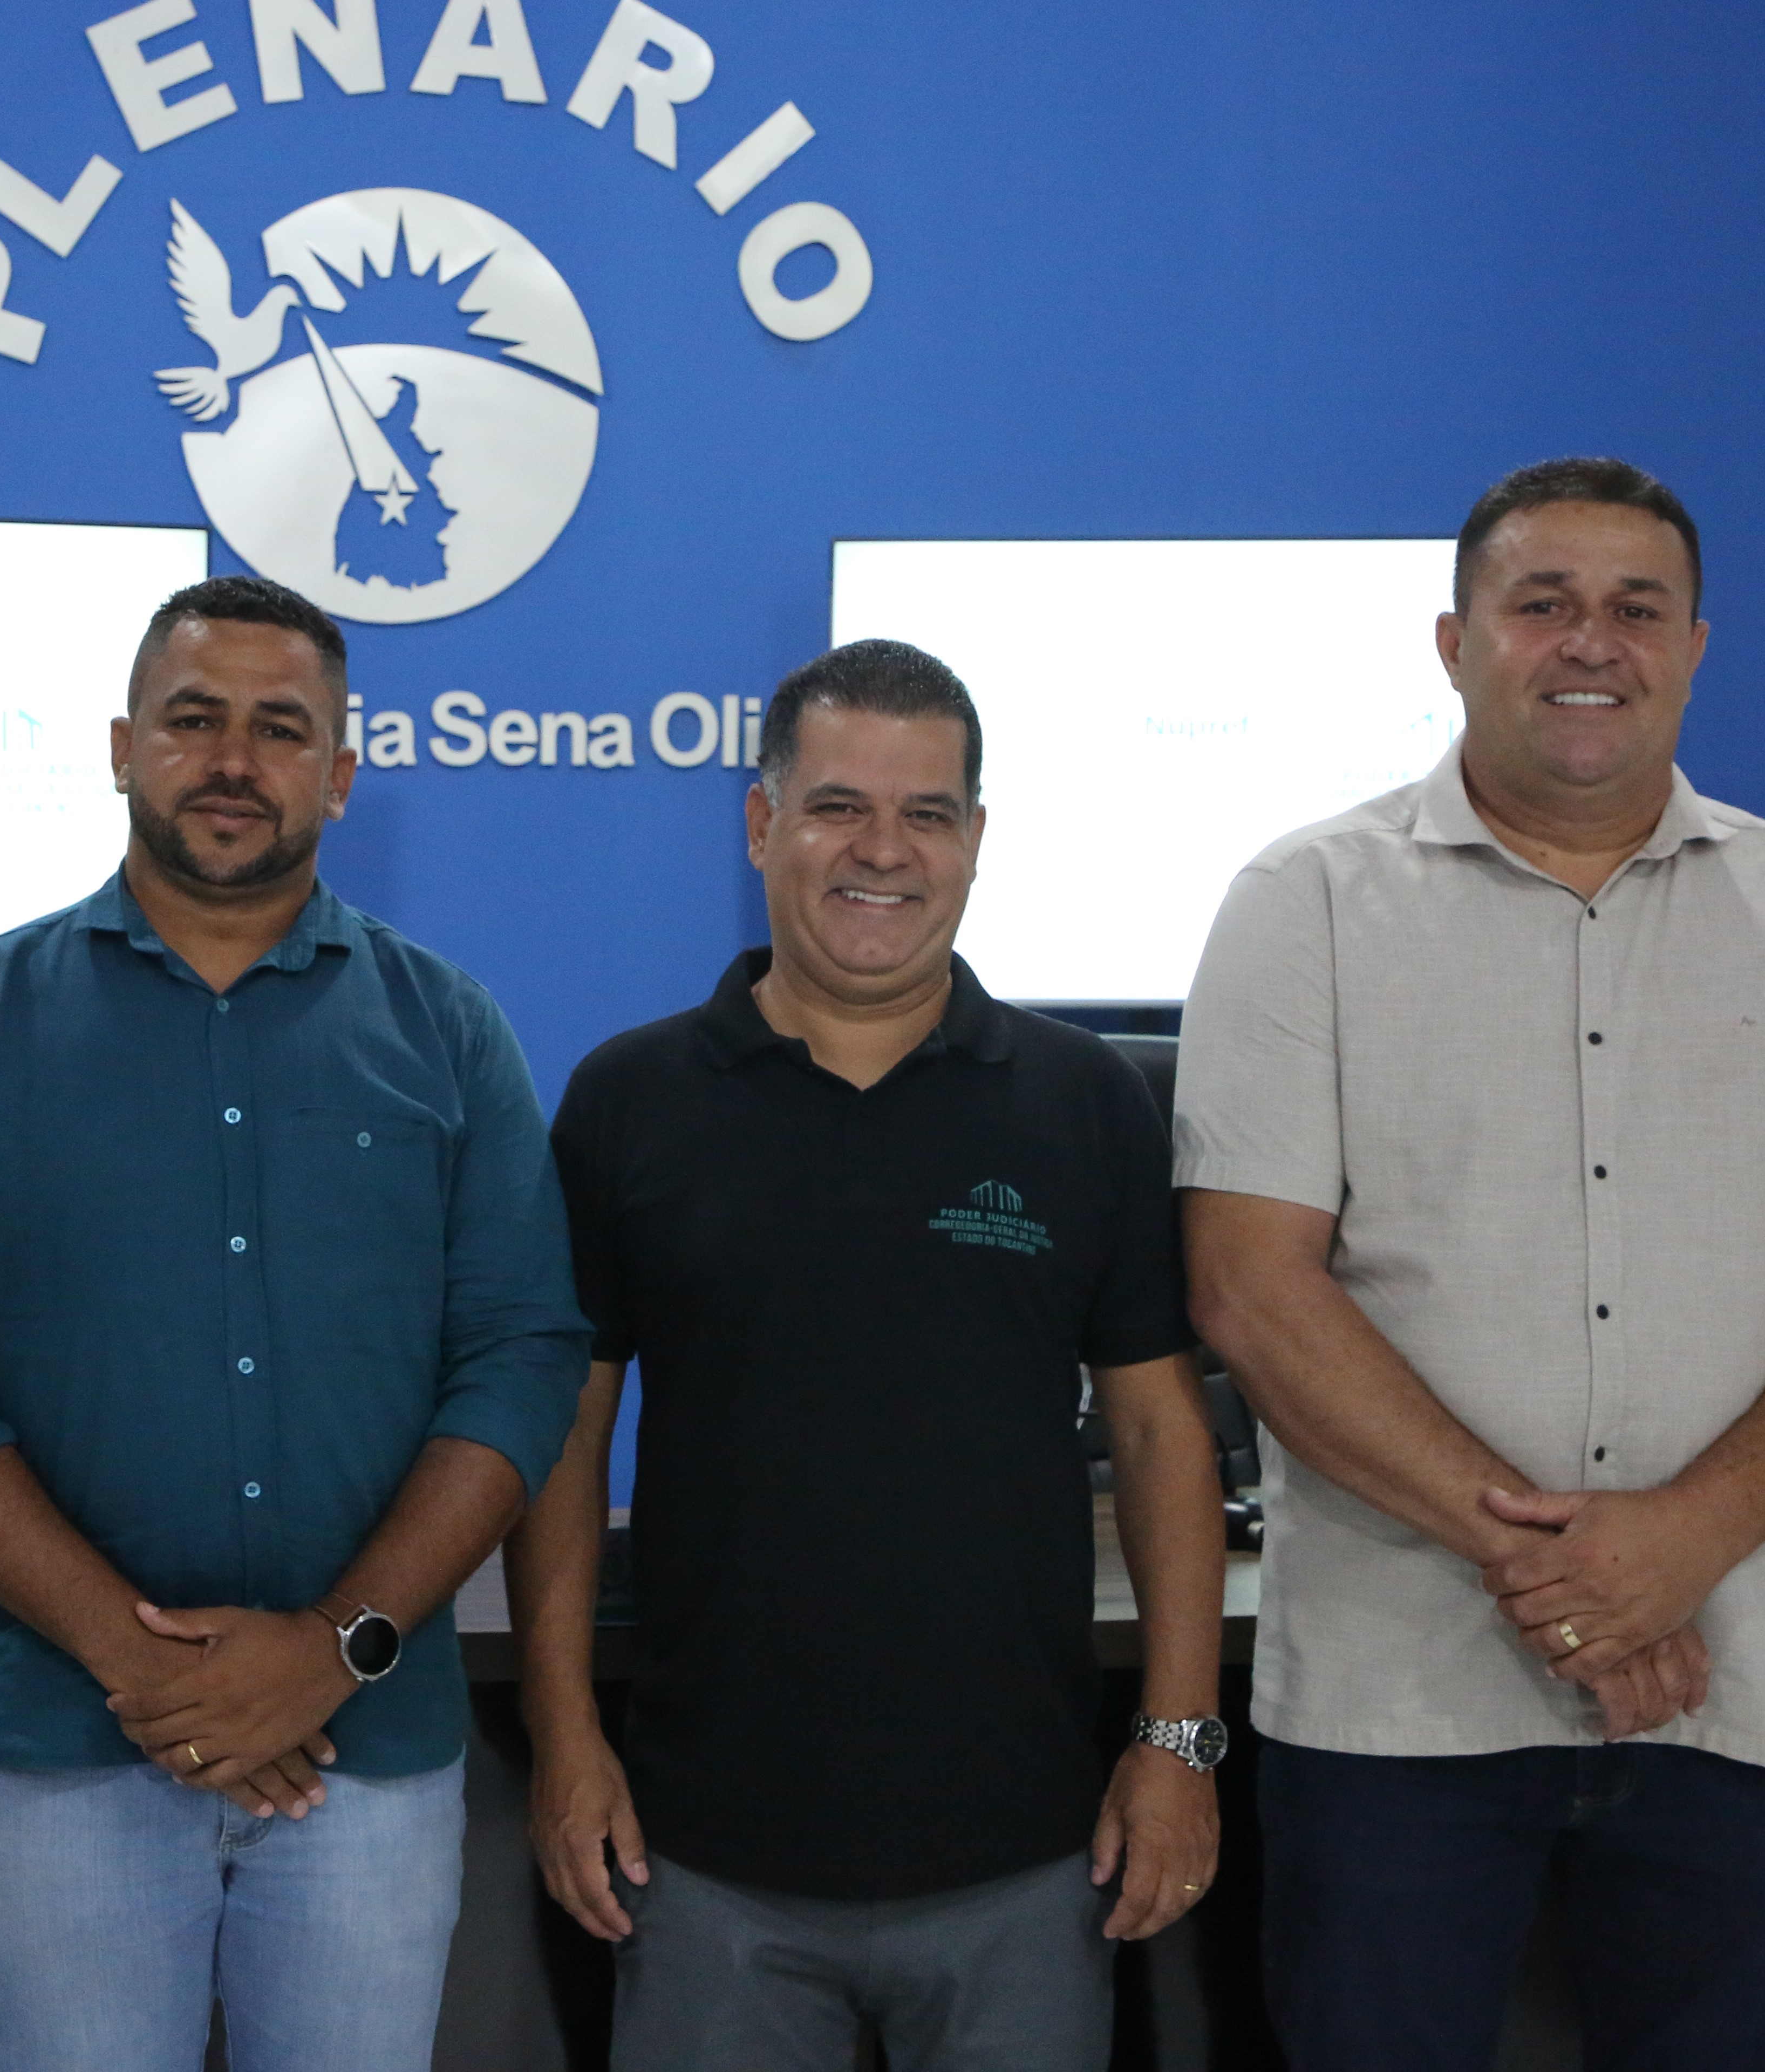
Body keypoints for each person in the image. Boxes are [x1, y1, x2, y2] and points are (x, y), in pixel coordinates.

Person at [1176, 457, 1765, 2070]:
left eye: (1636, 608)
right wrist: (1582, 1587)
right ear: (1453, 642)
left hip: (1741, 1696)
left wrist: (1688, 1540)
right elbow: (1253, 1290)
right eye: (1540, 604)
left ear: (1695, 648)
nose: (1589, 642)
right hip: (1395, 1713)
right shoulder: (1302, 902)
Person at [0, 573, 587, 2072]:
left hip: (367, 1757)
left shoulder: (449, 1033)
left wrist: (334, 1650)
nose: (234, 760)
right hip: (65, 1752)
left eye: (281, 729)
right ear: (121, 747)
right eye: (193, 719)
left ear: (340, 775)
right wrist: (140, 1661)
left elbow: (520, 1360)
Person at [510, 639, 1234, 2071]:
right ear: (761, 822)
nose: (884, 852)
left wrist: (1179, 1740)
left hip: (1029, 1853)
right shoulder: (630, 1100)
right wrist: (564, 1734)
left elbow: (1163, 1437)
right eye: (838, 806)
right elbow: (564, 1436)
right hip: (701, 1856)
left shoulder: (1087, 1103)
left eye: (928, 814)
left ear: (977, 838)